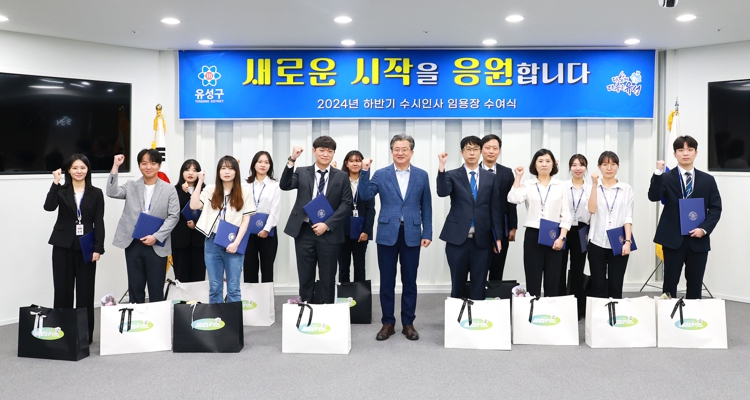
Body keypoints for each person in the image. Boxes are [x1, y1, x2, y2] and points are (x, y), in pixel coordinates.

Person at [359, 134, 433, 341]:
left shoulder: (421, 175)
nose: (400, 153)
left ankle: (408, 323)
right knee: (387, 281)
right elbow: (365, 195)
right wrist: (364, 171)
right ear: (391, 151)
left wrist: (427, 232)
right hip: (387, 233)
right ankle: (388, 323)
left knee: (410, 280)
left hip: (412, 233)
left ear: (412, 152)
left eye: (404, 149)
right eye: (396, 149)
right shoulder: (381, 174)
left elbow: (426, 205)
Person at [648, 136, 722, 299]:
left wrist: (704, 229)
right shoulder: (666, 177)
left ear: (696, 153)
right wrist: (658, 173)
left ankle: (692, 314)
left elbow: (716, 208)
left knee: (695, 283)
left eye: (690, 150)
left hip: (698, 239)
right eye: (681, 150)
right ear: (675, 154)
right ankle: (668, 313)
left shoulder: (708, 180)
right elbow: (653, 197)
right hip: (672, 238)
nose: (685, 153)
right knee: (670, 283)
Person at [280, 136, 352, 304]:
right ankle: (307, 309)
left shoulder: (341, 176)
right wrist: (292, 160)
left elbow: (346, 204)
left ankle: (326, 311)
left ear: (333, 153)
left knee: (328, 276)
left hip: (329, 232)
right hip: (304, 230)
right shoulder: (302, 171)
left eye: (330, 151)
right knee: (305, 275)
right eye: (322, 150)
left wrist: (327, 224)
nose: (325, 154)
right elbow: (285, 185)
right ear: (314, 151)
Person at [44, 154, 105, 343]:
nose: (79, 171)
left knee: (85, 292)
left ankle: (84, 336)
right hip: (62, 245)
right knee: (62, 291)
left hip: (86, 247)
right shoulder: (61, 190)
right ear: (69, 170)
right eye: (75, 168)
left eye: (82, 168)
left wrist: (98, 248)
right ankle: (62, 334)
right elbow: (48, 207)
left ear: (88, 170)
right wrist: (55, 182)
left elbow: (98, 222)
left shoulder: (96, 193)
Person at [108, 150, 179, 303]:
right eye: (144, 163)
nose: (148, 167)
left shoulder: (169, 189)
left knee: (156, 288)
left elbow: (174, 216)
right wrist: (115, 166)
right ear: (139, 165)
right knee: (135, 287)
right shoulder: (131, 185)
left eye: (153, 163)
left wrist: (156, 236)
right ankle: (136, 318)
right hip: (133, 243)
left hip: (156, 245)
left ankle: (158, 318)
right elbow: (111, 192)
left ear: (159, 165)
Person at [437, 136, 503, 300]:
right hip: (457, 239)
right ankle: (458, 315)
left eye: (475, 149)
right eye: (468, 149)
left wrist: (498, 238)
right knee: (457, 283)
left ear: (480, 152)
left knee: (479, 284)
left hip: (482, 240)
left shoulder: (490, 177)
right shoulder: (452, 175)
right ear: (462, 152)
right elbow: (442, 192)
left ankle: (477, 316)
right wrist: (441, 167)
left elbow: (495, 209)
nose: (472, 153)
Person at [508, 149, 571, 298]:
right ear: (534, 164)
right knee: (533, 278)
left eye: (548, 161)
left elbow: (566, 213)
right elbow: (513, 198)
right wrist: (518, 177)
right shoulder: (528, 184)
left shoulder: (561, 185)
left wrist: (562, 237)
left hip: (554, 235)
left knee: (553, 279)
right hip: (533, 234)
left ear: (553, 164)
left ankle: (551, 309)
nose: (544, 164)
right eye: (540, 161)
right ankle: (533, 309)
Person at [190, 156, 254, 304]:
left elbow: (246, 220)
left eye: (231, 168)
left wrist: (236, 243)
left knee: (233, 287)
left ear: (236, 171)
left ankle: (233, 319)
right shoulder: (210, 189)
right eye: (223, 168)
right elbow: (194, 205)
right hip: (212, 242)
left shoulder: (244, 191)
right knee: (215, 287)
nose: (227, 172)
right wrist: (199, 181)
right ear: (218, 171)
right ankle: (217, 318)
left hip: (234, 241)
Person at [587, 151, 634, 299]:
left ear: (618, 166)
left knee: (616, 285)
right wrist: (594, 185)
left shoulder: (626, 189)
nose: (609, 168)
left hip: (619, 242)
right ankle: (598, 313)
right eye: (605, 164)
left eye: (613, 164)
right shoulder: (592, 187)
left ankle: (614, 313)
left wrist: (628, 241)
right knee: (598, 285)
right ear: (599, 167)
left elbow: (628, 217)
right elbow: (591, 209)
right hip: (597, 241)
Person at [479, 134, 518, 281]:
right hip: (479, 226)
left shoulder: (506, 172)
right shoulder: (474, 171)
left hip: (501, 226)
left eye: (495, 148)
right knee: (478, 267)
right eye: (487, 148)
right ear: (481, 150)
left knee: (498, 266)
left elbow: (511, 201)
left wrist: (513, 227)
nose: (491, 151)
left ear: (499, 151)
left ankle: (495, 293)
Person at [337, 150, 376, 283]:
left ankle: (359, 295)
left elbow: (371, 210)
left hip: (361, 231)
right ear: (346, 163)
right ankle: (344, 294)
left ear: (362, 163)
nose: (355, 163)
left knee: (360, 266)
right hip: (342, 230)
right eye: (352, 161)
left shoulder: (367, 183)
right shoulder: (340, 182)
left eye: (358, 161)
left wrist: (366, 231)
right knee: (343, 267)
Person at [243, 151, 281, 283]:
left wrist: (266, 229)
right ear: (254, 164)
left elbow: (275, 209)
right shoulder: (245, 185)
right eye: (260, 162)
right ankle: (251, 297)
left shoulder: (274, 185)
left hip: (268, 232)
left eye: (266, 162)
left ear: (270, 166)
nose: (263, 165)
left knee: (267, 269)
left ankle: (267, 297)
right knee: (249, 268)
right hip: (247, 231)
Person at [561, 154, 591, 317]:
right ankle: (561, 304)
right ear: (569, 168)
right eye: (574, 165)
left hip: (582, 229)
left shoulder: (591, 188)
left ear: (586, 168)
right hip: (563, 228)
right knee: (559, 267)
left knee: (577, 269)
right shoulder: (562, 186)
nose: (578, 168)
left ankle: (578, 308)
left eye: (581, 165)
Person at [171, 159, 206, 283]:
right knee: (181, 277)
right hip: (180, 241)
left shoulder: (205, 190)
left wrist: (196, 225)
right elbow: (174, 211)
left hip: (199, 241)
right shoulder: (174, 190)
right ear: (182, 172)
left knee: (198, 277)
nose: (190, 173)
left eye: (194, 170)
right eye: (187, 170)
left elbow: (208, 213)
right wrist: (184, 193)